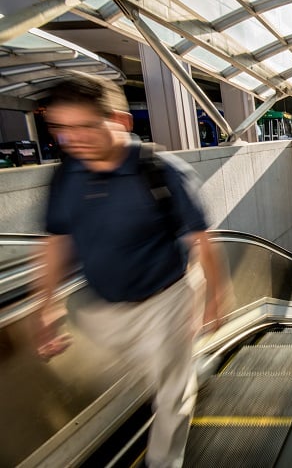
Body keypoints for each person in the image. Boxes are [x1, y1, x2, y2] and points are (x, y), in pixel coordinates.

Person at [33, 72, 228, 468]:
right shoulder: (65, 175)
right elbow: (56, 239)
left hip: (167, 296)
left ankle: (164, 461)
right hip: (103, 307)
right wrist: (47, 304)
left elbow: (201, 239)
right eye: (61, 129)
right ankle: (188, 367)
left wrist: (215, 298)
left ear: (120, 121)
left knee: (171, 391)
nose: (73, 140)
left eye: (85, 126)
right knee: (164, 369)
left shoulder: (159, 171)